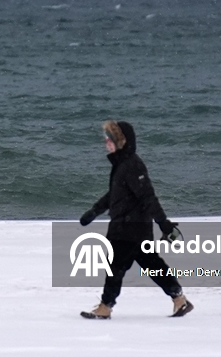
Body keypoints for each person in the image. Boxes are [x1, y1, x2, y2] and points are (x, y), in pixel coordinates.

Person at [78, 120, 193, 319]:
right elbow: (114, 194)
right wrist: (94, 211)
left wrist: (164, 224)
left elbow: (148, 197)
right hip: (129, 227)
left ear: (120, 141)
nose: (106, 143)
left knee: (115, 267)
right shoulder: (122, 164)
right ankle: (179, 299)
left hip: (130, 228)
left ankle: (106, 307)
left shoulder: (132, 165)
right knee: (153, 266)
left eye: (109, 139)